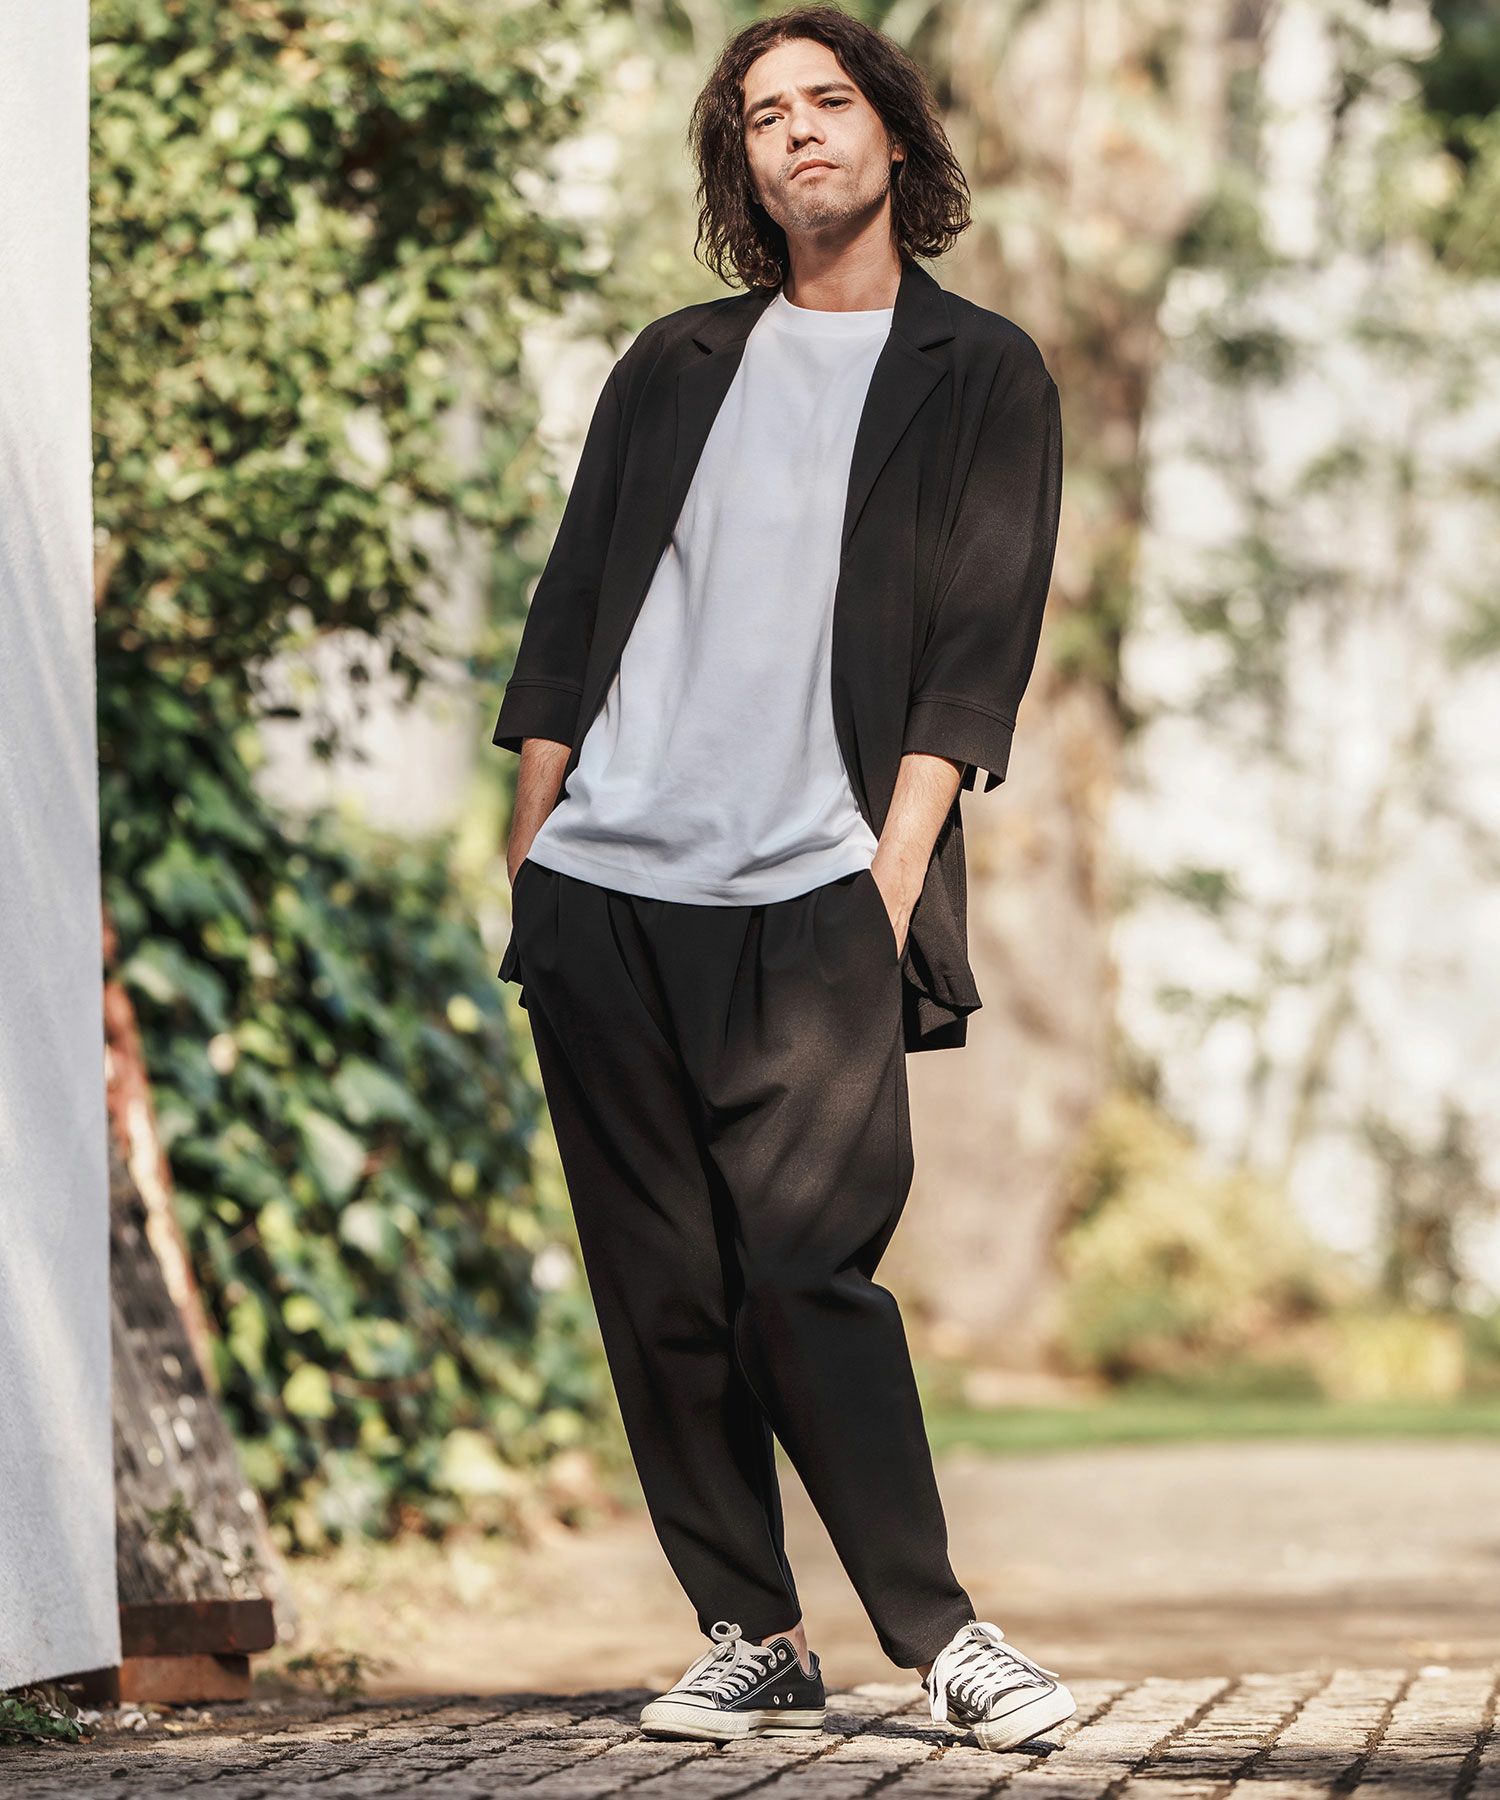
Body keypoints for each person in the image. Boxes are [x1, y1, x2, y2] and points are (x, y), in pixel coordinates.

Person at [490, 2, 1071, 1756]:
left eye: (828, 100)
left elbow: (976, 657)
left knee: (809, 1272)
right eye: (763, 116)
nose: (799, 130)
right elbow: (569, 616)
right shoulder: (675, 362)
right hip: (607, 887)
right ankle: (747, 1625)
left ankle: (942, 1635)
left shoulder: (981, 371)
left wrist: (883, 883)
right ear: (741, 167)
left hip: (818, 885)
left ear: (893, 132)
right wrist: (534, 855)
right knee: (659, 1287)